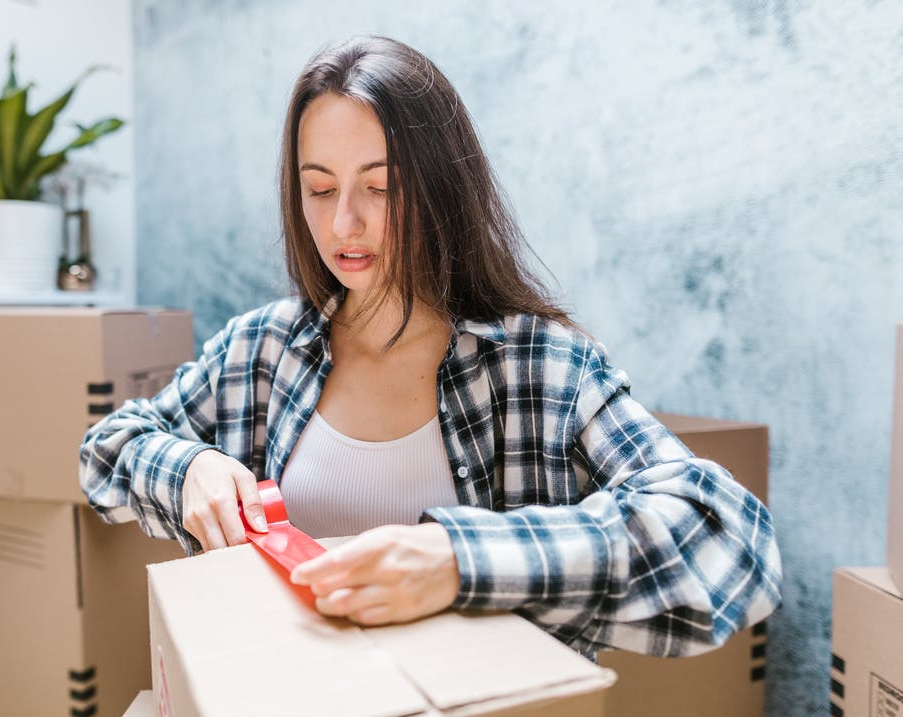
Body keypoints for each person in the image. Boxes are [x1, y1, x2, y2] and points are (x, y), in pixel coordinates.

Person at [79, 35, 781, 657]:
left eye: (379, 188)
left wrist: (459, 559)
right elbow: (107, 449)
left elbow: (727, 540)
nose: (343, 223)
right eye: (317, 189)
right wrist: (189, 467)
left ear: (441, 190)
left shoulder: (538, 367)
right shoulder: (264, 348)